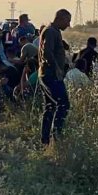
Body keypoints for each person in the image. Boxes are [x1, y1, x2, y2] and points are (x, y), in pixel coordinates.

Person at [39, 9, 72, 145]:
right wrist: (57, 68)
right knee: (63, 104)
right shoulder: (51, 31)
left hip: (46, 74)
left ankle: (45, 141)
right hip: (51, 75)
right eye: (67, 21)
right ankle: (56, 138)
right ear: (60, 18)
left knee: (51, 106)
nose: (69, 25)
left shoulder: (52, 31)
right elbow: (47, 52)